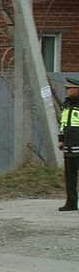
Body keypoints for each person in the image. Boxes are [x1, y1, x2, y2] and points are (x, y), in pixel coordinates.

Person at [59, 76, 79, 212]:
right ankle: (71, 202)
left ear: (77, 90)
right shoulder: (66, 105)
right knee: (70, 176)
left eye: (68, 88)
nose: (66, 91)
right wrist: (61, 140)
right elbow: (63, 124)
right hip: (68, 145)